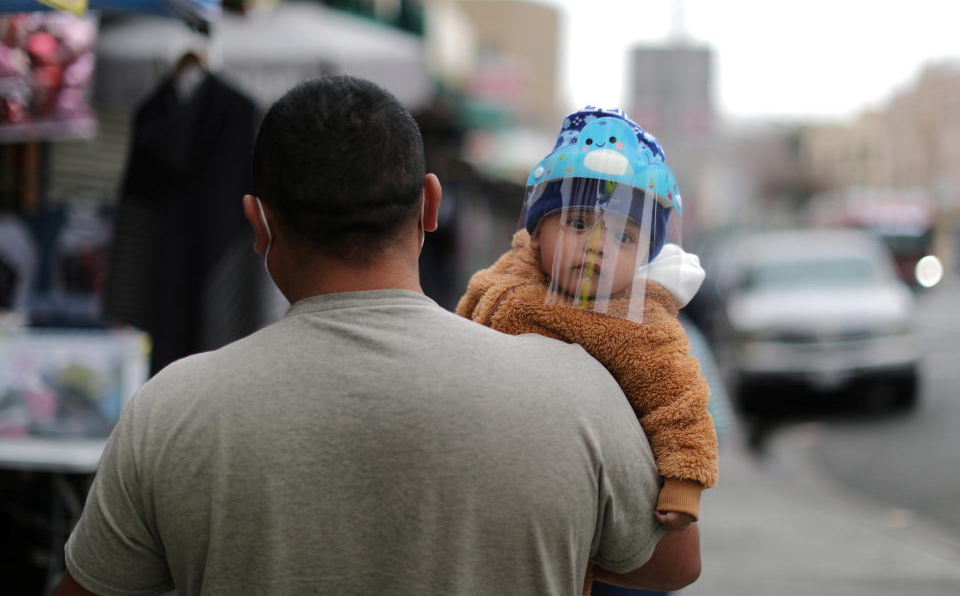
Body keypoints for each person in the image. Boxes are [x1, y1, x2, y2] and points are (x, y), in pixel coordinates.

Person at [54, 77, 700, 596]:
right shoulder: (578, 389)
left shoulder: (171, 410)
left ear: (257, 222)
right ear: (430, 206)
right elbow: (673, 566)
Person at [456, 107, 718, 591]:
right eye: (577, 223)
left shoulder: (637, 322)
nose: (597, 245)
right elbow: (464, 323)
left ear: (645, 256)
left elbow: (679, 399)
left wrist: (685, 481)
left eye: (624, 236)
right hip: (500, 483)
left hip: (603, 517)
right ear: (538, 232)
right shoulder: (504, 278)